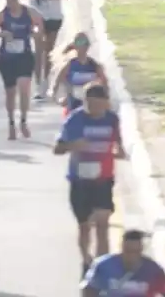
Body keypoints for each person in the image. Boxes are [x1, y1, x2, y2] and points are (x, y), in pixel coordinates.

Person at [54, 83, 126, 273]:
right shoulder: (75, 119)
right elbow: (57, 148)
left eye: (97, 104)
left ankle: (102, 266)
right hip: (80, 181)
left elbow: (118, 142)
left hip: (103, 179)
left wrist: (120, 150)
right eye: (89, 104)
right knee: (85, 226)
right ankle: (86, 261)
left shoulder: (112, 119)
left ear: (105, 103)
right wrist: (72, 146)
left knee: (103, 225)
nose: (92, 108)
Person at [0, 0, 43, 139]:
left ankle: (23, 121)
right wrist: (3, 34)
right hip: (7, 58)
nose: (11, 4)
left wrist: (34, 33)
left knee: (24, 88)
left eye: (14, 0)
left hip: (24, 56)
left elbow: (39, 25)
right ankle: (11, 123)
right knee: (11, 93)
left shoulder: (28, 13)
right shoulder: (3, 15)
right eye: (9, 1)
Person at [23, 0, 69, 99]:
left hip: (53, 17)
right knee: (38, 49)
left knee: (48, 51)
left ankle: (46, 80)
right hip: (36, 18)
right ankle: (38, 85)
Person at [83, 230, 165, 297]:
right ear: (121, 248)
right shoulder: (104, 265)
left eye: (136, 251)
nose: (132, 256)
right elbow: (89, 289)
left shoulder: (153, 270)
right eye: (128, 251)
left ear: (141, 249)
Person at [53, 32, 108, 113]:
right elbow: (58, 82)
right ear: (75, 46)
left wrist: (105, 100)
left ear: (88, 46)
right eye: (79, 42)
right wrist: (58, 97)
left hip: (91, 104)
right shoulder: (69, 65)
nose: (82, 46)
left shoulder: (94, 65)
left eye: (84, 43)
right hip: (73, 104)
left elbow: (105, 83)